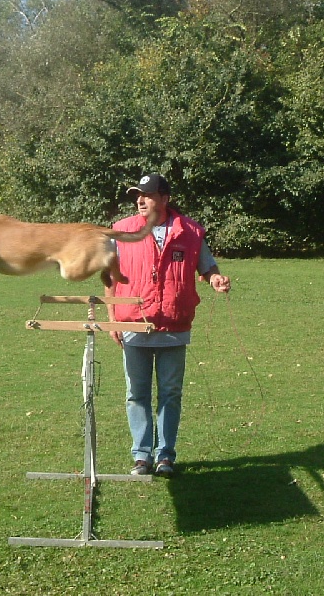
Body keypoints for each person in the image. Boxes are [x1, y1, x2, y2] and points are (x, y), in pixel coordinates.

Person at [104, 173, 231, 478]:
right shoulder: (121, 231)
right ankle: (141, 456)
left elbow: (207, 265)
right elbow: (109, 277)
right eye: (138, 195)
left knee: (171, 393)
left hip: (175, 325)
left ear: (164, 198)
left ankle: (165, 456)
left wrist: (215, 278)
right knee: (136, 393)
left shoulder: (190, 232)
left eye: (147, 195)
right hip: (134, 323)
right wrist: (112, 319)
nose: (140, 200)